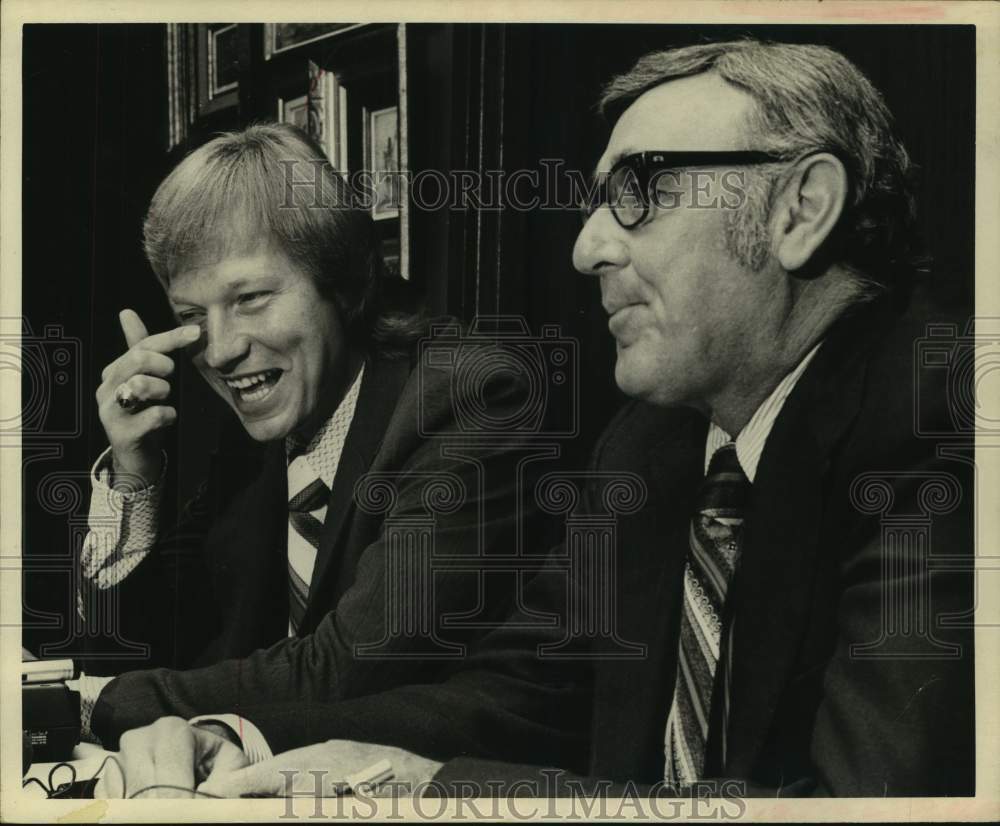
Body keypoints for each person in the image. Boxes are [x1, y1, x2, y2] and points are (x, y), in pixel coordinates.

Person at [92, 40, 974, 798]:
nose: (587, 245)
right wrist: (247, 742)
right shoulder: (654, 446)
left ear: (801, 210)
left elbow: (857, 812)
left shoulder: (948, 423)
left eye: (639, 191)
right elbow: (524, 697)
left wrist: (440, 785)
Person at [74, 123, 546, 734]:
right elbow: (149, 648)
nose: (218, 351)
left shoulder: (469, 399)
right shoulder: (265, 430)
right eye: (191, 315)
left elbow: (345, 671)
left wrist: (89, 705)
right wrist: (133, 475)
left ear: (340, 281)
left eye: (249, 299)